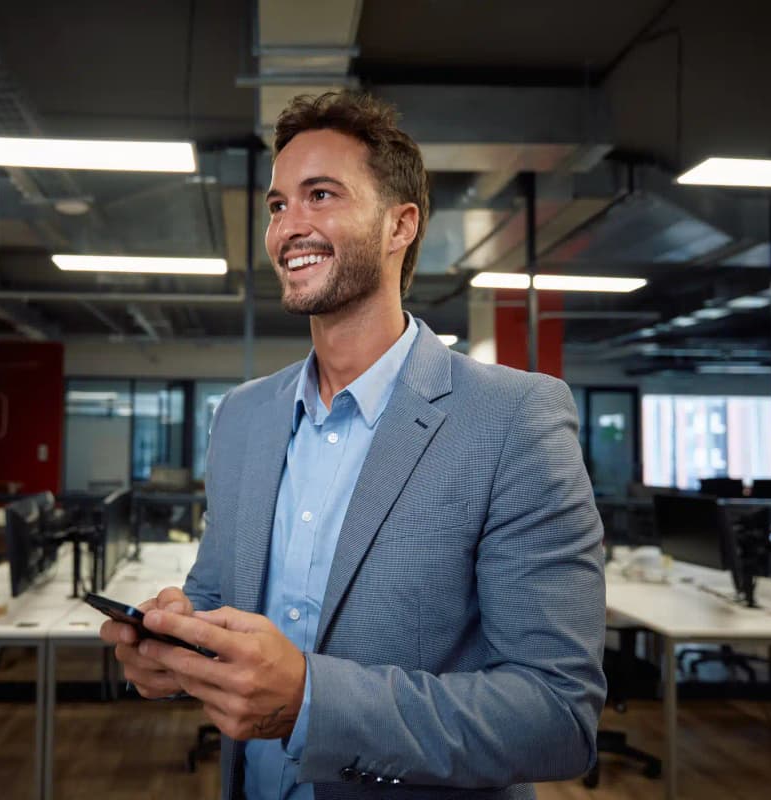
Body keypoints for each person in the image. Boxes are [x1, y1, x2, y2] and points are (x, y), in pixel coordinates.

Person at [102, 91, 606, 800]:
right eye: (278, 205)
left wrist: (312, 702)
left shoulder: (512, 418)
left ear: (400, 225)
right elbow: (216, 593)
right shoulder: (243, 417)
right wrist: (177, 639)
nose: (289, 227)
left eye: (321, 195)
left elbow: (558, 716)